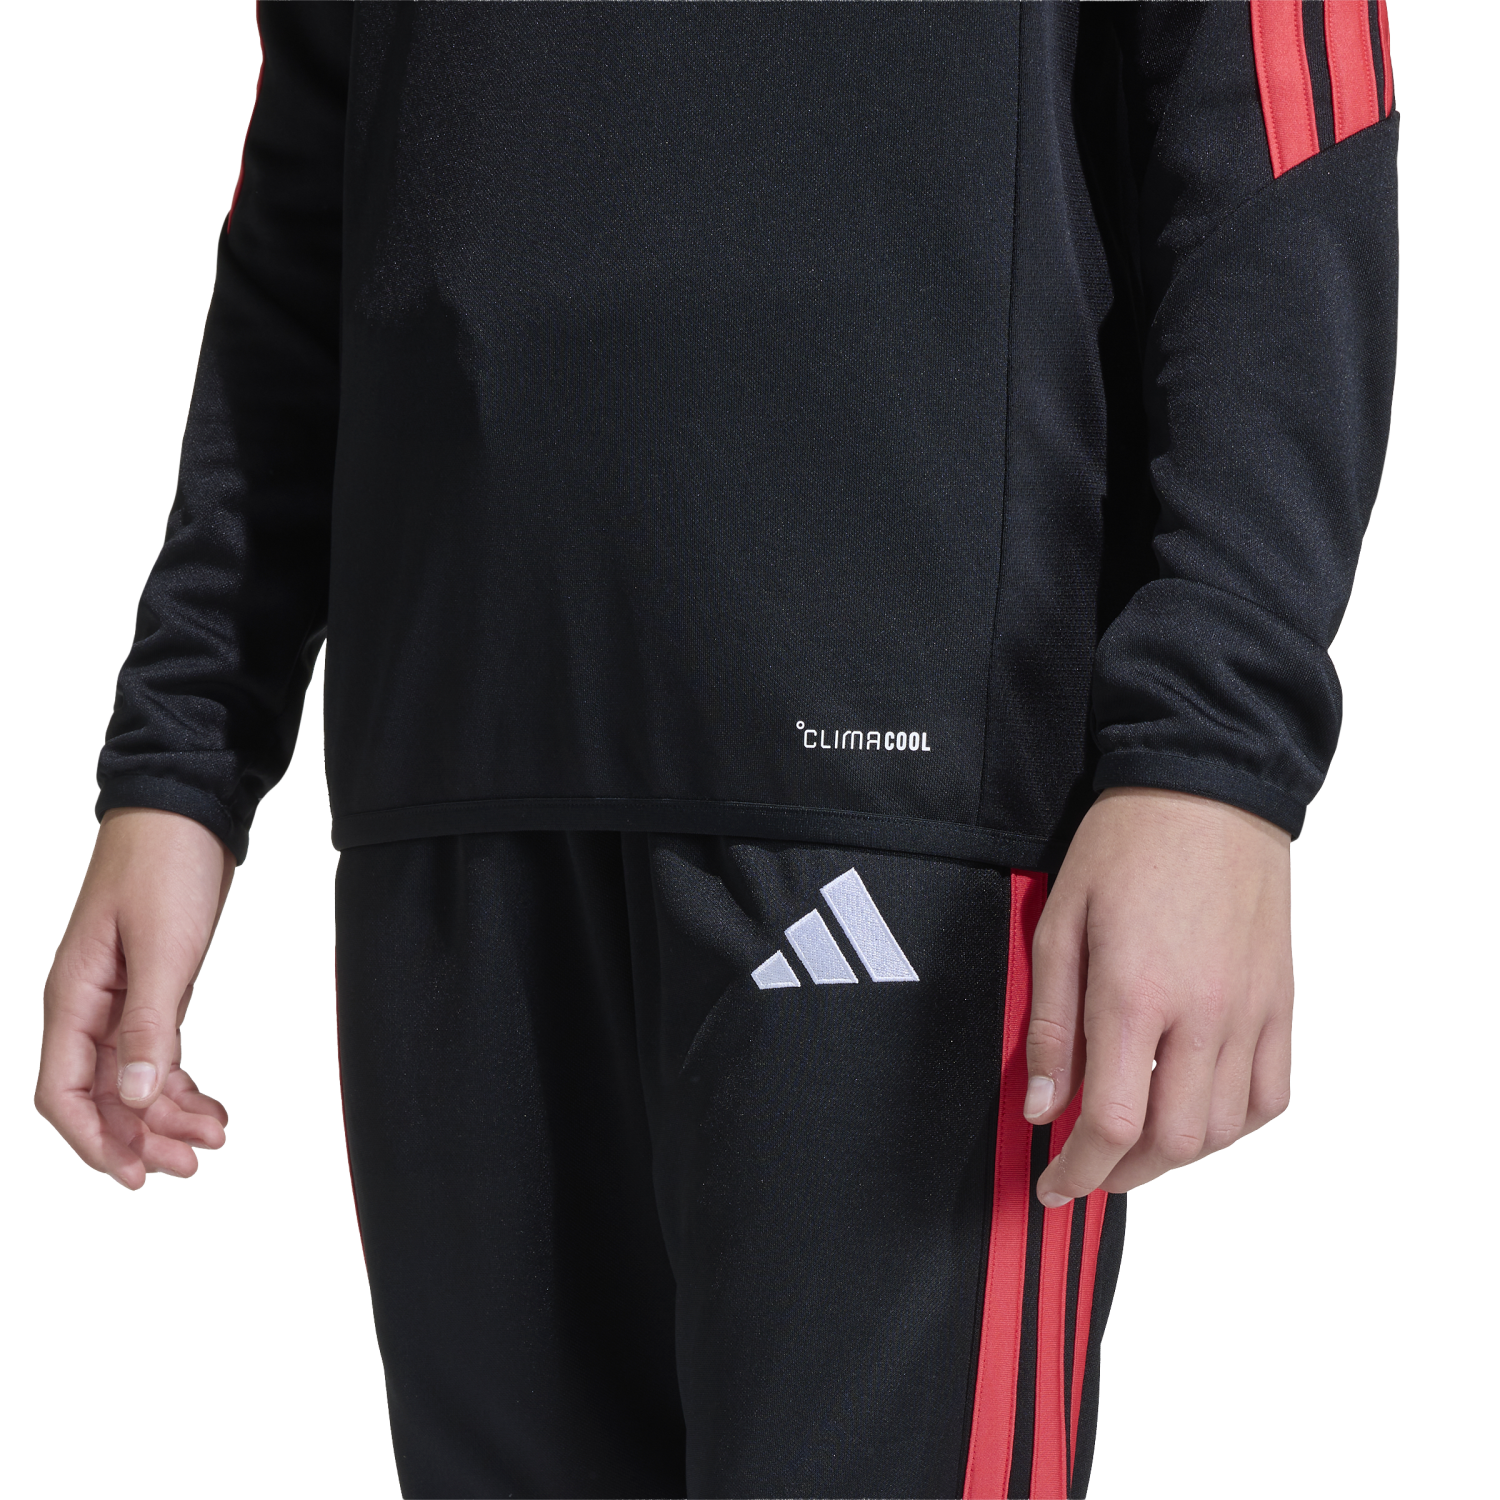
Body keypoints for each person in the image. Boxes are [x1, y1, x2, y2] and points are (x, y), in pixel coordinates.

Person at [34, 4, 1398, 1496]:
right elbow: (306, 208)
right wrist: (181, 760)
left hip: (903, 790)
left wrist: (1211, 754)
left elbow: (1281, 143)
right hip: (450, 788)